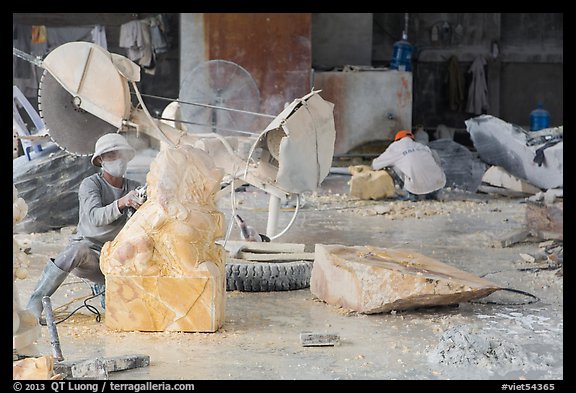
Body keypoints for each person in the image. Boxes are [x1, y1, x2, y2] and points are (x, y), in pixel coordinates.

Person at [26, 133, 143, 320]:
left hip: (118, 257)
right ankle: (35, 302)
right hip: (92, 253)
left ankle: (106, 287)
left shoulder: (134, 188)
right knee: (75, 251)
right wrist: (122, 203)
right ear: (101, 160)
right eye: (111, 155)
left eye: (121, 155)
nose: (118, 160)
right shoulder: (90, 185)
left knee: (118, 312)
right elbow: (95, 217)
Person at [372, 130, 446, 201]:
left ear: (397, 140)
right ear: (412, 139)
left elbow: (375, 165)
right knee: (432, 155)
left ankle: (410, 195)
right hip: (438, 185)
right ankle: (433, 194)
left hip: (415, 188)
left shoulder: (395, 147)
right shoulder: (421, 146)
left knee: (393, 166)